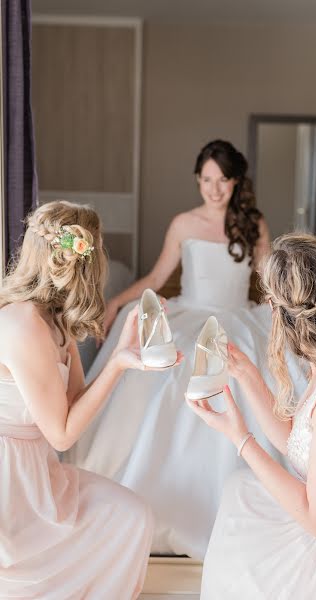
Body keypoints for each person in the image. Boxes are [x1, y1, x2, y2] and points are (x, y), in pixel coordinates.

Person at [66, 140, 306, 559]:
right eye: (207, 180)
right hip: (191, 312)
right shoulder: (183, 223)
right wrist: (117, 302)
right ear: (198, 179)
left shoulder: (254, 223)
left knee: (250, 369)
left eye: (223, 180)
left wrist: (288, 314)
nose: (214, 190)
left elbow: (270, 281)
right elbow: (158, 277)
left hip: (238, 315)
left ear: (236, 182)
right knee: (166, 364)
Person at [187, 233, 316, 599]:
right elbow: (298, 444)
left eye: (270, 301)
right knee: (239, 492)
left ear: (285, 315)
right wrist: (248, 376)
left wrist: (242, 440)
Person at [0, 200, 181, 599]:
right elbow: (63, 434)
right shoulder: (24, 324)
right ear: (87, 257)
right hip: (10, 480)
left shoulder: (54, 319)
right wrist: (116, 364)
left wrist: (127, 349)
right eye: (100, 249)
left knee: (131, 516)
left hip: (39, 469)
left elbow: (75, 401)